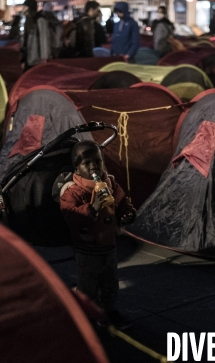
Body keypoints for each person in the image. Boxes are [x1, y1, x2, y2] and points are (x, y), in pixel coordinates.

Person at [60, 140, 136, 329]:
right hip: (87, 250)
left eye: (97, 161)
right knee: (88, 285)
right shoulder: (73, 191)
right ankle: (88, 314)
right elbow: (71, 215)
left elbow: (121, 200)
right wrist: (93, 208)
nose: (94, 166)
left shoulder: (108, 182)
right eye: (87, 163)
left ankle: (109, 310)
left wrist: (127, 212)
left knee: (110, 282)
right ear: (77, 169)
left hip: (109, 246)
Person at [20, 0, 50, 69]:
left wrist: (44, 58)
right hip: (29, 59)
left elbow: (44, 40)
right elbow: (25, 42)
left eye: (25, 7)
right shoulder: (28, 21)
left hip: (37, 60)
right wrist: (23, 59)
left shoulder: (40, 20)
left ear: (30, 8)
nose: (23, 9)